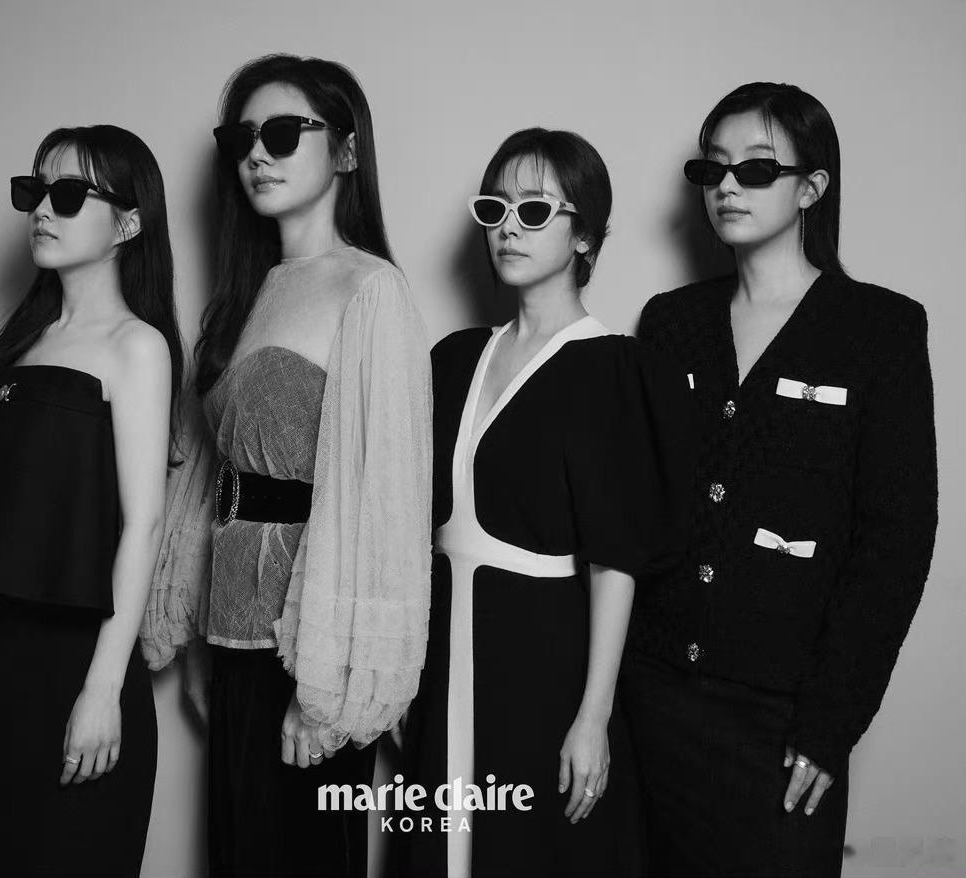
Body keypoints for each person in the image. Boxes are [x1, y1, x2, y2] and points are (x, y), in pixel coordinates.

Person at [624, 81, 939, 878]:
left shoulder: (881, 329)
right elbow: (633, 508)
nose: (727, 185)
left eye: (757, 168)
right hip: (651, 698)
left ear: (811, 187)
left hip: (782, 715)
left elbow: (897, 540)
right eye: (714, 168)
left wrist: (831, 723)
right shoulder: (671, 322)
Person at [140, 54, 432, 877]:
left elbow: (384, 503)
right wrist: (201, 639)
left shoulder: (371, 290)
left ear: (346, 149)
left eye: (280, 133)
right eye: (240, 139)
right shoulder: (247, 290)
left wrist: (328, 690)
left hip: (312, 651)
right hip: (233, 640)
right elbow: (212, 484)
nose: (257, 156)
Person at [399, 128, 693, 878]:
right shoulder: (454, 358)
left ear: (585, 235)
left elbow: (616, 560)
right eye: (495, 208)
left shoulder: (612, 367)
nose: (508, 228)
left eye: (534, 211)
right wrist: (397, 679)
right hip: (441, 654)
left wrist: (593, 716)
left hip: (543, 662)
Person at [0, 124, 181, 877]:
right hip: (5, 654)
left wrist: (104, 689)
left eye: (68, 194)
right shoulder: (23, 345)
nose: (42, 208)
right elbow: (8, 525)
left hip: (86, 656)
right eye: (34, 191)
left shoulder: (137, 347)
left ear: (128, 224)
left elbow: (143, 524)